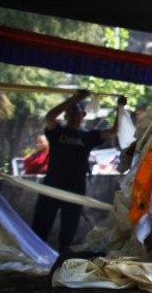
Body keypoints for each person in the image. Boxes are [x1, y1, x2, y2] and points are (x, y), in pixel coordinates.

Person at [31, 90, 127, 251]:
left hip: (75, 189)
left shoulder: (88, 136)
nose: (74, 114)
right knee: (40, 227)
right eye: (71, 111)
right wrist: (74, 99)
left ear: (83, 115)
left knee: (68, 231)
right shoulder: (57, 132)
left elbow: (113, 131)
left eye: (77, 111)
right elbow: (50, 116)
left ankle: (61, 260)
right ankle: (33, 256)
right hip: (51, 187)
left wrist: (120, 108)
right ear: (66, 115)